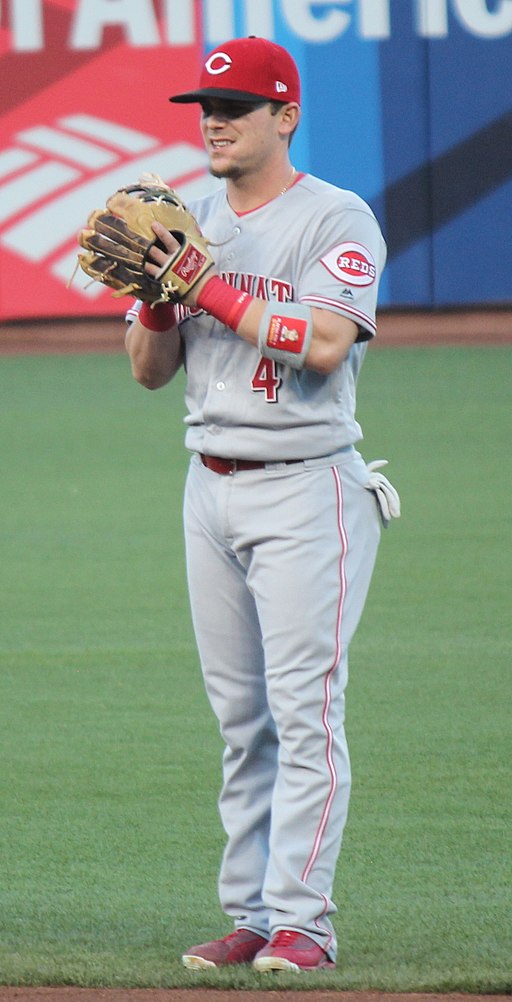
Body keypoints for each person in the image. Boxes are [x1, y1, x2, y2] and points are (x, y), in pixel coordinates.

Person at [125, 35, 397, 973]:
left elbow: (324, 343)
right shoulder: (182, 217)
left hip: (306, 488)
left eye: (237, 106)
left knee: (304, 712)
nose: (215, 120)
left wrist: (203, 283)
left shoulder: (336, 219)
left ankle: (304, 925)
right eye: (206, 105)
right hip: (210, 488)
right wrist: (160, 304)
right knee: (242, 720)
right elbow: (150, 373)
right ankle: (250, 914)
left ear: (286, 116)